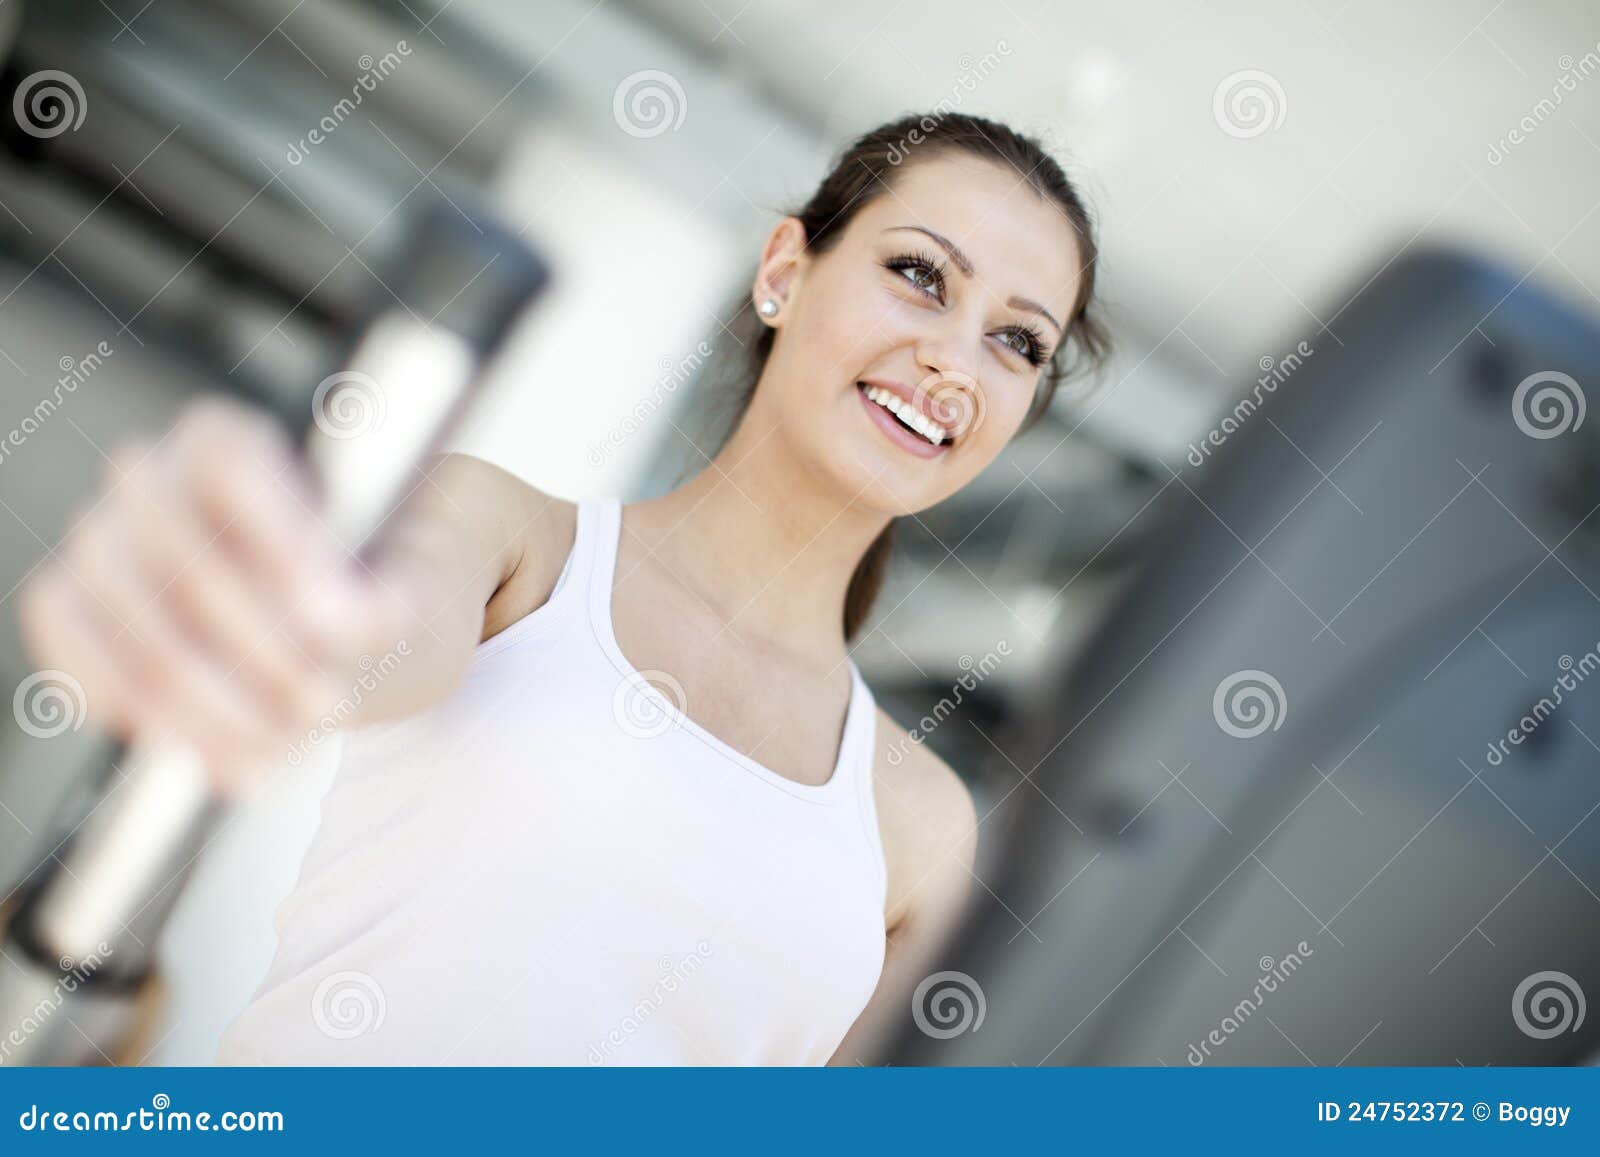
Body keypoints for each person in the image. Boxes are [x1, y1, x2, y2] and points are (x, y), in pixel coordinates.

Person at [16, 111, 1108, 1064]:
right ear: (785, 271)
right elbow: (361, 632)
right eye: (920, 274)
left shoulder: (922, 826)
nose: (955, 361)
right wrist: (258, 597)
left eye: (1017, 341)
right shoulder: (508, 538)